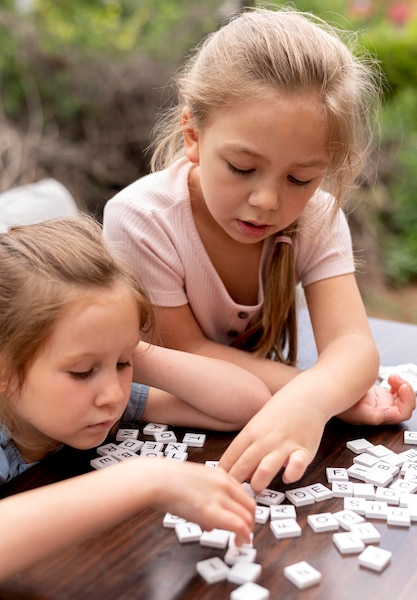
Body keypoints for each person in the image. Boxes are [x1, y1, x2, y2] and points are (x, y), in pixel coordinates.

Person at [103, 7, 416, 492]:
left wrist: (316, 400)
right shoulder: (142, 219)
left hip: (239, 417)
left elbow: (353, 347)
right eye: (242, 167)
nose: (268, 200)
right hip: (153, 429)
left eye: (299, 178)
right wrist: (320, 395)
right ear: (193, 135)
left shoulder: (316, 216)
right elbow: (185, 351)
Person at [0, 215, 271, 581]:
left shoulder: (101, 398)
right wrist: (144, 480)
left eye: (123, 364)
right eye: (81, 371)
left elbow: (249, 404)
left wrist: (121, 347)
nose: (113, 394)